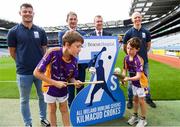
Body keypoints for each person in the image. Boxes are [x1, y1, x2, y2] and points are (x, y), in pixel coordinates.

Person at [7, 3, 50, 127]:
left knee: (43, 97)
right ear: (20, 13)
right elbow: (12, 52)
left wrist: (42, 67)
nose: (27, 14)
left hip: (40, 72)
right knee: (24, 100)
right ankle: (28, 123)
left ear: (33, 13)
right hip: (23, 73)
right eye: (25, 11)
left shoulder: (40, 31)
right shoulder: (13, 31)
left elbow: (44, 50)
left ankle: (43, 118)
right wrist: (22, 63)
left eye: (29, 11)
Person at [33, 31, 84, 126]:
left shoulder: (75, 60)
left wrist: (75, 82)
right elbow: (36, 72)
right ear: (67, 45)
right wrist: (55, 83)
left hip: (63, 89)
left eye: (81, 46)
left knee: (64, 109)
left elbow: (71, 77)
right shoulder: (52, 52)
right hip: (49, 88)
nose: (80, 49)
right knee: (52, 109)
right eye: (78, 46)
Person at [123, 12, 156, 109]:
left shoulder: (146, 32)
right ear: (132, 20)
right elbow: (125, 47)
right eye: (135, 18)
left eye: (139, 17)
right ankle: (130, 100)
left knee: (145, 81)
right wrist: (131, 57)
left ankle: (148, 98)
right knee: (130, 82)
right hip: (132, 64)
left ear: (141, 19)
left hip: (144, 62)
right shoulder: (128, 33)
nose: (137, 19)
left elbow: (148, 45)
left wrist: (141, 57)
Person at [58, 11, 87, 107]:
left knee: (81, 87)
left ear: (77, 21)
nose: (73, 21)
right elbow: (62, 49)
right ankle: (71, 107)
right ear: (67, 21)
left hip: (81, 66)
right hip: (68, 67)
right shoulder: (62, 33)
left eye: (75, 19)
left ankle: (80, 107)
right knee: (70, 88)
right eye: (71, 19)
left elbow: (86, 50)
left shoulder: (83, 33)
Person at [122, 37, 148, 127]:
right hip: (134, 82)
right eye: (128, 48)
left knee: (141, 101)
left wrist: (127, 79)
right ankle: (135, 116)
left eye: (132, 49)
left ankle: (143, 119)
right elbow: (124, 69)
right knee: (135, 99)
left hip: (141, 83)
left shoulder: (139, 60)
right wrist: (123, 77)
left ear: (137, 49)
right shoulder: (126, 58)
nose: (129, 50)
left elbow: (138, 76)